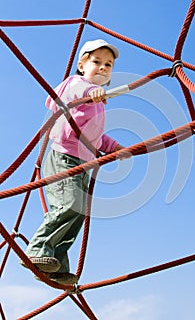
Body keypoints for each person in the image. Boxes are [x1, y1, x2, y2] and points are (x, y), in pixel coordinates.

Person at [20, 39, 126, 285]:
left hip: (82, 166)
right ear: (81, 65)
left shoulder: (99, 106)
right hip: (63, 158)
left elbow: (96, 137)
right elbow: (72, 91)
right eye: (96, 62)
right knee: (68, 205)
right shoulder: (76, 84)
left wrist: (115, 148)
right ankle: (37, 249)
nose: (102, 67)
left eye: (108, 65)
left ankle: (56, 263)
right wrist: (91, 92)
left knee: (78, 212)